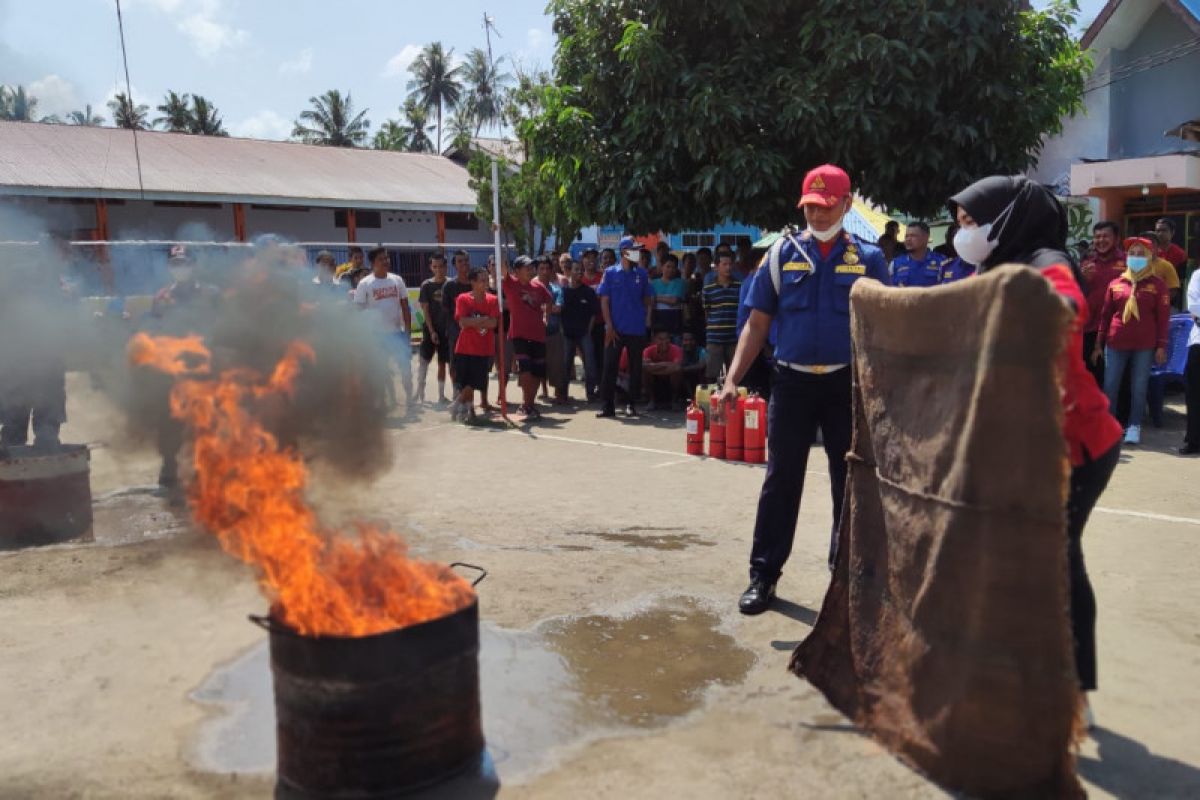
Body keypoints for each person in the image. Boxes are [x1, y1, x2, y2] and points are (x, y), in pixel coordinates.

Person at [948, 175, 1123, 722]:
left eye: (972, 222)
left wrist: (1043, 315)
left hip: (1078, 445)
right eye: (960, 225)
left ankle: (1075, 689)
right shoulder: (997, 266)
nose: (964, 234)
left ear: (1005, 219)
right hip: (1024, 446)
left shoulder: (1046, 261)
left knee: (1056, 560)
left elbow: (1063, 304)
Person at [717, 164, 889, 615]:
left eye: (825, 206)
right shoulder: (780, 254)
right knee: (780, 479)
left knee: (848, 482)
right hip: (790, 383)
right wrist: (733, 378)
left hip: (845, 386)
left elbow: (883, 331)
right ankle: (763, 575)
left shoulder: (869, 260)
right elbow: (756, 325)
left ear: (847, 204)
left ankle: (846, 580)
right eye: (810, 206)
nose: (816, 214)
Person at [1093, 236, 1171, 446]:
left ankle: (1134, 425)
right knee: (1110, 386)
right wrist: (1098, 343)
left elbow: (1163, 319)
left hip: (1144, 346)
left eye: (1140, 255)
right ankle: (1108, 427)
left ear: (1148, 257)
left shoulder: (1158, 285)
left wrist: (1162, 346)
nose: (1135, 258)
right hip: (1115, 343)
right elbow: (1105, 315)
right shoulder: (1116, 283)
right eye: (1132, 254)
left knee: (1138, 387)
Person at [596, 236, 654, 418]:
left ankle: (632, 404)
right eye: (634, 249)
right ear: (624, 252)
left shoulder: (642, 274)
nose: (638, 253)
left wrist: (645, 318)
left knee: (635, 368)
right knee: (609, 367)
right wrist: (609, 326)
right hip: (615, 330)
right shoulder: (610, 273)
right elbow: (604, 301)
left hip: (636, 329)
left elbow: (648, 299)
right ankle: (607, 406)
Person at [354, 246, 414, 412]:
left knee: (405, 368)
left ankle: (410, 399)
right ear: (373, 262)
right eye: (381, 259)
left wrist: (407, 331)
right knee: (381, 371)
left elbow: (404, 306)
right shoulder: (365, 284)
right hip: (376, 336)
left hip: (396, 333)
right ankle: (384, 401)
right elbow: (358, 311)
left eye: (387, 258)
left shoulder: (397, 280)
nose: (386, 261)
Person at [503, 255, 553, 418]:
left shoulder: (538, 286)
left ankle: (529, 405)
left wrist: (546, 317)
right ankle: (525, 404)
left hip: (538, 335)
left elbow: (549, 301)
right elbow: (502, 267)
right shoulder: (510, 283)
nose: (531, 270)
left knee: (538, 371)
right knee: (525, 369)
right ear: (516, 271)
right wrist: (498, 232)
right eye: (527, 267)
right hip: (519, 335)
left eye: (532, 267)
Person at [451, 267, 500, 423]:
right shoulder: (463, 299)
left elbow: (493, 323)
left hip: (484, 349)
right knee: (465, 383)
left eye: (487, 279)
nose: (486, 282)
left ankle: (457, 404)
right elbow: (462, 322)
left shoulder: (493, 299)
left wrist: (474, 321)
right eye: (482, 280)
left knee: (475, 382)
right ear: (472, 282)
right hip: (465, 348)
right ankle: (468, 411)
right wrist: (483, 318)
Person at [1080, 221, 1126, 387]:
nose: (1101, 240)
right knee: (1092, 378)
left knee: (1118, 382)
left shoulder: (1128, 262)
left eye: (1105, 236)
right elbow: (1075, 293)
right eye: (1097, 236)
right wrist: (1080, 279)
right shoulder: (1086, 264)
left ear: (1116, 239)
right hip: (1090, 329)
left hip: (1119, 330)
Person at [560, 260, 600, 401]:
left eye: (581, 270)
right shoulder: (563, 292)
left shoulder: (588, 292)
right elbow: (559, 311)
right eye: (576, 269)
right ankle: (563, 394)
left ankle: (590, 393)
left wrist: (588, 330)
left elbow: (594, 313)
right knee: (565, 364)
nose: (579, 272)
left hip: (584, 333)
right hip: (567, 334)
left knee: (589, 363)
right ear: (569, 271)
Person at [702, 252, 741, 382]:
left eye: (730, 264)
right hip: (714, 338)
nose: (728, 267)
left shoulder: (739, 286)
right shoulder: (708, 288)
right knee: (712, 374)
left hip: (734, 337)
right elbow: (707, 312)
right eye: (724, 264)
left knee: (736, 374)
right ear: (716, 267)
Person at [417, 252, 450, 404]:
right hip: (430, 329)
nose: (438, 270)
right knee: (424, 361)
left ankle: (441, 395)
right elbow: (425, 310)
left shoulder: (450, 284)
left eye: (441, 266)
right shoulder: (426, 285)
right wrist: (431, 332)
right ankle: (420, 392)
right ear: (431, 267)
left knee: (442, 362)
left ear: (446, 266)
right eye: (435, 267)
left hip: (446, 330)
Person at [442, 250, 475, 396]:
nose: (464, 264)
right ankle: (457, 394)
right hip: (456, 334)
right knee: (455, 366)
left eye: (466, 260)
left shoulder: (476, 283)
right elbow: (446, 311)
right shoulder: (449, 286)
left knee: (473, 367)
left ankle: (471, 401)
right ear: (454, 264)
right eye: (460, 261)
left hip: (475, 332)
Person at [535, 257, 567, 404]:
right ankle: (543, 390)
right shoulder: (531, 288)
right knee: (539, 364)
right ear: (537, 270)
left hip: (554, 331)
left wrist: (540, 307)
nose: (545, 271)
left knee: (556, 364)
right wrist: (549, 307)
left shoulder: (557, 289)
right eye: (541, 268)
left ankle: (559, 394)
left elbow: (559, 308)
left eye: (547, 268)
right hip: (535, 333)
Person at [637, 328, 685, 409]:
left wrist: (654, 367)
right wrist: (667, 366)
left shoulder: (676, 349)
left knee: (678, 370)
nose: (664, 341)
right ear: (654, 340)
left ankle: (674, 400)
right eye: (661, 339)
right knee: (644, 370)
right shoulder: (648, 350)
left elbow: (677, 366)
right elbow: (645, 365)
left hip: (671, 381)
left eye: (667, 338)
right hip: (655, 381)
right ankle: (651, 400)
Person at [890, 221, 946, 287]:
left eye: (913, 236)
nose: (908, 239)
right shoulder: (895, 264)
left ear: (926, 237)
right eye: (906, 236)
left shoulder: (942, 262)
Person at [1181, 268, 1200, 455]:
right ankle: (1194, 440)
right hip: (1198, 343)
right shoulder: (1198, 275)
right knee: (1194, 395)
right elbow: (1195, 308)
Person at [1138, 229, 1182, 306]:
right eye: (1144, 243)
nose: (1148, 247)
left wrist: (1158, 301)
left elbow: (1173, 290)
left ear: (1158, 247)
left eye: (1151, 244)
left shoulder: (1166, 266)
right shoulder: (1133, 264)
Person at [651, 254, 685, 337]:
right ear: (662, 267)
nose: (671, 270)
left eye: (673, 267)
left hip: (675, 325)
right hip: (657, 325)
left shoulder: (681, 283)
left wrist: (655, 298)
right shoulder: (653, 283)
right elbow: (649, 301)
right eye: (668, 266)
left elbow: (674, 301)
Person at [1153, 218, 1188, 284]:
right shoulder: (1148, 252)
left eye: (1164, 230)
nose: (1160, 233)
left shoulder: (1180, 254)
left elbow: (1181, 280)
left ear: (1172, 232)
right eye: (1157, 230)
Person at [679, 330, 708, 402]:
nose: (688, 342)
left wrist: (684, 369)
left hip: (698, 377)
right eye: (685, 340)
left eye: (691, 340)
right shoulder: (679, 351)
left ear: (695, 341)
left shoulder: (701, 350)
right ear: (681, 341)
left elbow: (702, 365)